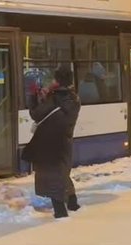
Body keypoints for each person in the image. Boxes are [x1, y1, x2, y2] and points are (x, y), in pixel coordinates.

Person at [22, 67, 81, 219]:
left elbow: (36, 114)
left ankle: (60, 211)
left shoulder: (55, 99)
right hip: (64, 141)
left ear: (58, 81)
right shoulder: (74, 99)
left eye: (55, 79)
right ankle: (72, 201)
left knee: (53, 175)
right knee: (61, 173)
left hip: (48, 143)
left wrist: (34, 97)